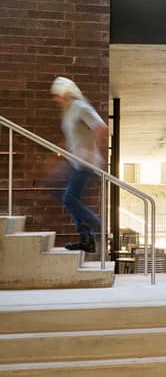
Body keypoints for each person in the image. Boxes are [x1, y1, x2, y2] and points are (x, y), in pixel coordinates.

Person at [49, 76, 107, 254]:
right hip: (74, 161)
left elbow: (101, 126)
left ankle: (96, 225)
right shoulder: (68, 111)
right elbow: (73, 135)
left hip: (86, 162)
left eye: (57, 95)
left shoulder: (80, 107)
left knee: (69, 198)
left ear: (66, 94)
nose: (55, 100)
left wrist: (90, 149)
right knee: (59, 190)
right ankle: (87, 238)